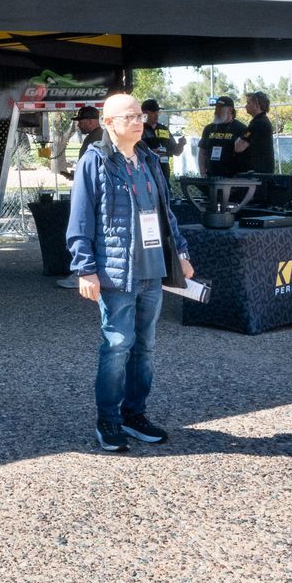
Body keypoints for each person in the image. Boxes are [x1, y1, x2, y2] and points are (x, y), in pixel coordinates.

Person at [66, 93, 194, 453]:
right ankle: (108, 419)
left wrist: (180, 253)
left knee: (145, 348)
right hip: (116, 274)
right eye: (128, 117)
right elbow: (80, 219)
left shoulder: (149, 160)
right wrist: (85, 268)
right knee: (118, 344)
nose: (138, 122)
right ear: (108, 123)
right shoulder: (95, 162)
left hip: (152, 271)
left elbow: (165, 213)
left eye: (139, 115)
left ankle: (134, 415)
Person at [197, 96, 248, 178]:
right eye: (216, 108)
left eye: (220, 108)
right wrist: (203, 173)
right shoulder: (209, 128)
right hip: (211, 177)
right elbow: (202, 153)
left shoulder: (241, 128)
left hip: (232, 178)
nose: (216, 111)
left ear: (230, 110)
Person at [237, 91, 276, 175]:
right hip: (261, 171)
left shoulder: (258, 123)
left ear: (257, 105)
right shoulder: (261, 120)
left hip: (258, 173)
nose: (245, 106)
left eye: (248, 103)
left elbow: (239, 147)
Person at [140, 98, 184, 172]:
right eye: (153, 113)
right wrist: (150, 153)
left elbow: (176, 152)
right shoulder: (138, 129)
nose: (157, 115)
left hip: (164, 173)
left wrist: (181, 144)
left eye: (158, 112)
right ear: (144, 113)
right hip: (146, 173)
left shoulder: (164, 129)